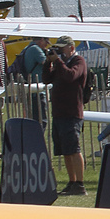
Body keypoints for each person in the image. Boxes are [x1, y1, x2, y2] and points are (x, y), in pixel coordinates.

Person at [43, 35, 89, 196]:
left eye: (62, 47)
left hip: (71, 112)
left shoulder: (79, 62)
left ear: (71, 47)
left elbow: (70, 76)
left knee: (74, 148)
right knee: (65, 150)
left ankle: (80, 183)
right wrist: (48, 61)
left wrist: (57, 61)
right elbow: (47, 78)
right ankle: (72, 181)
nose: (60, 51)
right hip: (59, 112)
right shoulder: (60, 63)